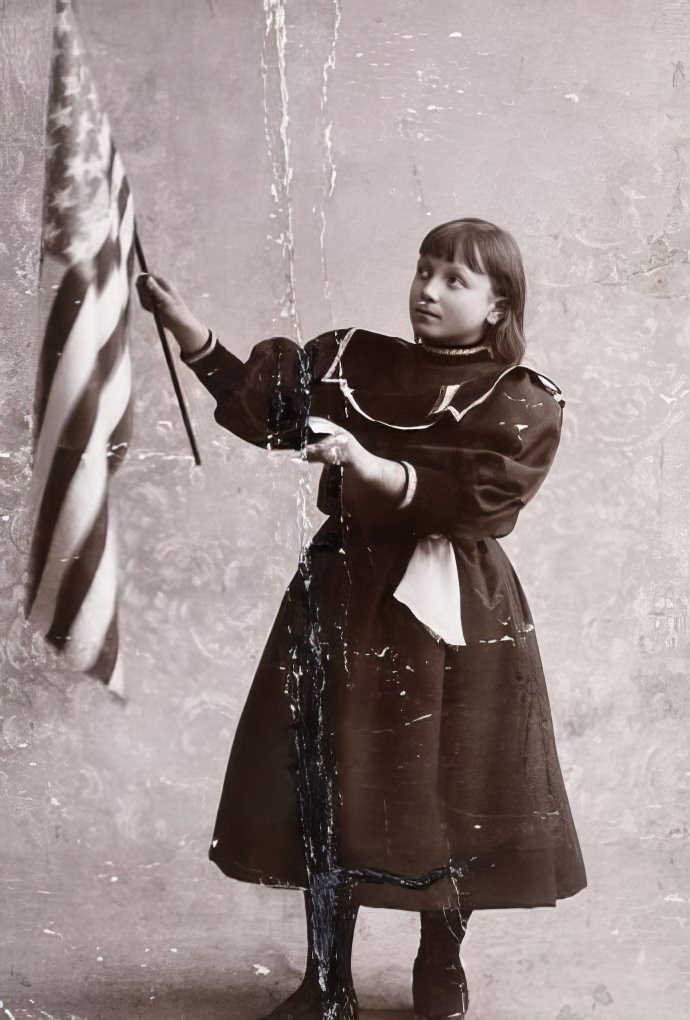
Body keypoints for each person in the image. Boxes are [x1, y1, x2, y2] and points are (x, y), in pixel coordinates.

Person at [137, 217, 587, 1020]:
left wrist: (369, 464)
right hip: (346, 592)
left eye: (456, 278)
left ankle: (439, 966)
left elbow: (479, 499)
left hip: (451, 609)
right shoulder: (354, 359)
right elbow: (271, 415)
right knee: (329, 774)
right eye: (424, 269)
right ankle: (325, 978)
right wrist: (192, 334)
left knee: (452, 780)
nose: (429, 288)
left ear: (497, 305)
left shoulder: (517, 399)